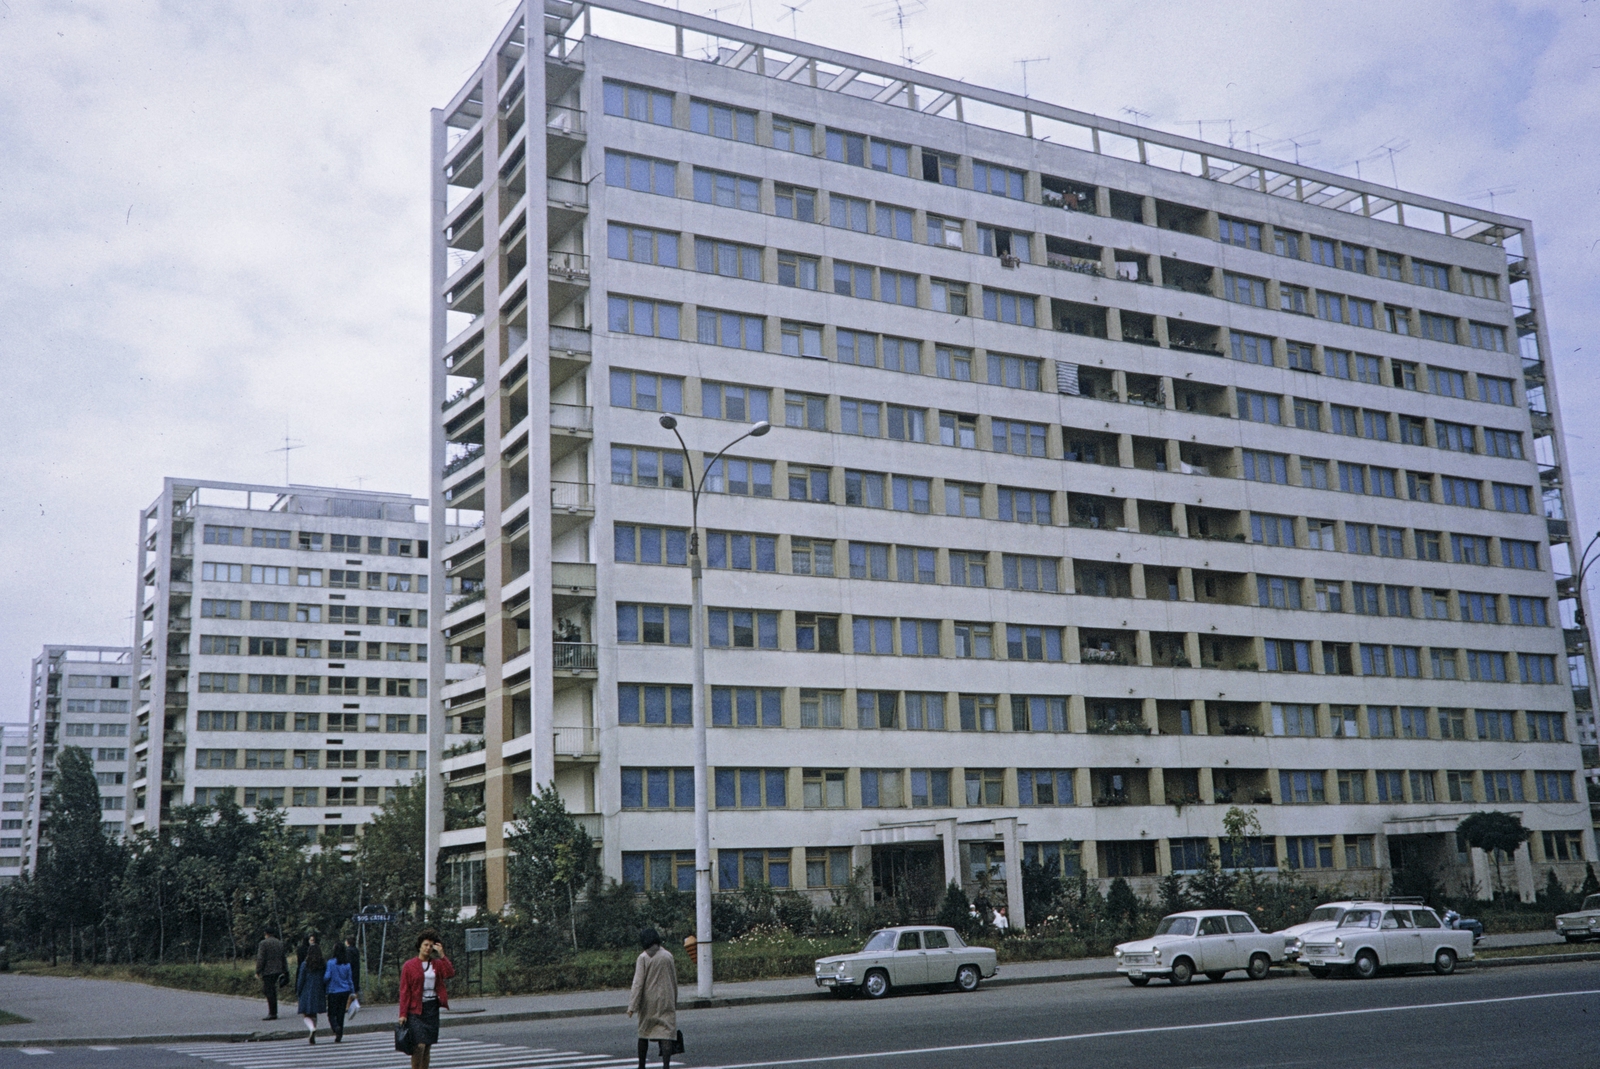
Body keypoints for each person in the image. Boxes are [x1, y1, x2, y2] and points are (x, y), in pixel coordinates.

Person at [399, 929, 455, 1069]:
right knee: (419, 1045)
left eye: (431, 946)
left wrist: (442, 955)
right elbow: (404, 991)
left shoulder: (436, 964)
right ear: (419, 946)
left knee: (427, 1046)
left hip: (431, 1008)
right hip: (416, 1010)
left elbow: (449, 973)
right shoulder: (409, 966)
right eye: (425, 945)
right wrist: (403, 1014)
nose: (428, 948)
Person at [627, 927, 677, 1069]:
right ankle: (666, 1065)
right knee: (666, 1033)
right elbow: (674, 979)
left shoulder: (643, 958)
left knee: (644, 1033)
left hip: (648, 1002)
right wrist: (674, 1000)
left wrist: (632, 1006)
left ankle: (641, 1065)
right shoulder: (668, 956)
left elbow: (638, 983)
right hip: (666, 999)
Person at [295, 935, 328, 1044]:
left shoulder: (305, 964)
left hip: (307, 989)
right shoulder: (323, 963)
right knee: (314, 1013)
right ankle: (313, 1028)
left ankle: (312, 1028)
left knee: (305, 1012)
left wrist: (298, 991)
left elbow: (301, 979)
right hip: (318, 989)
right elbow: (325, 977)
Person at [324, 942, 355, 1043]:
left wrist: (323, 981)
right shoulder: (347, 964)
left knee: (331, 1013)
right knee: (341, 1013)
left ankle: (335, 1027)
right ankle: (340, 1033)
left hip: (333, 991)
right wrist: (352, 992)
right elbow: (350, 979)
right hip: (345, 991)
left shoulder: (330, 963)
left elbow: (327, 976)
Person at [254, 930, 287, 1021]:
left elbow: (261, 958)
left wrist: (258, 971)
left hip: (268, 971)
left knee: (268, 991)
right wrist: (285, 970)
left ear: (266, 934)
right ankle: (273, 1011)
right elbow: (283, 957)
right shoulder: (279, 942)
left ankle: (272, 1013)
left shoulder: (263, 943)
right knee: (271, 990)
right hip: (278, 970)